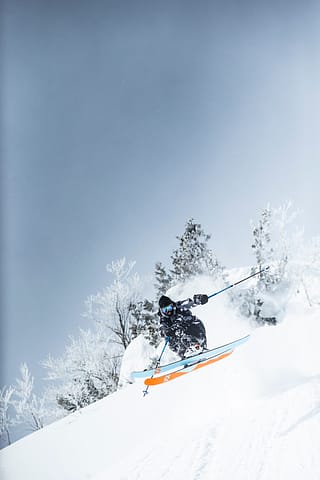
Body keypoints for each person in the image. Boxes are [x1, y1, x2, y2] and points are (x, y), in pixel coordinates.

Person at [158, 294, 209, 358]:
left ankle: (196, 346)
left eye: (169, 308)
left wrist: (199, 299)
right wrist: (166, 331)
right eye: (165, 310)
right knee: (173, 338)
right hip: (179, 340)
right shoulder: (163, 319)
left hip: (194, 329)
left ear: (172, 305)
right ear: (161, 310)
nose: (168, 312)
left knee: (180, 329)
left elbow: (190, 303)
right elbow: (161, 330)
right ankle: (185, 354)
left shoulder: (178, 306)